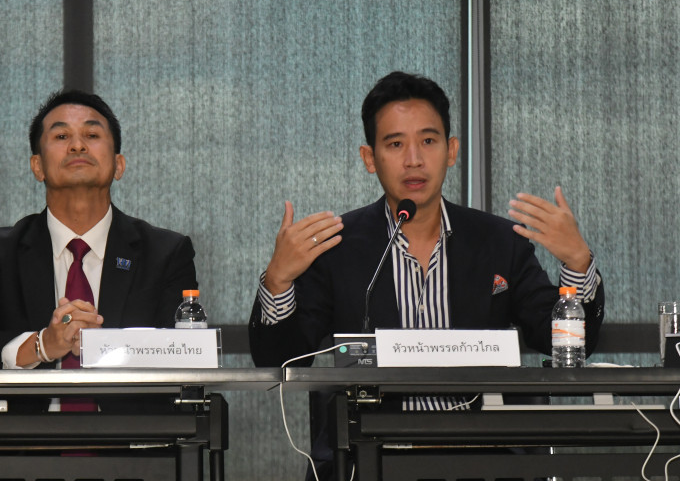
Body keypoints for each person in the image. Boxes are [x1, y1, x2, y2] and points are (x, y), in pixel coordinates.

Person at [248, 71, 604, 478]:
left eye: (428, 141)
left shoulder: (499, 242)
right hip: (371, 459)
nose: (413, 159)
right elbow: (279, 359)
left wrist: (577, 263)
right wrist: (277, 281)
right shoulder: (337, 249)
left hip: (483, 459)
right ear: (369, 158)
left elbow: (562, 341)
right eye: (395, 144)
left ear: (451, 150)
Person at [0, 90, 198, 375]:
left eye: (92, 135)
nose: (77, 146)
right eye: (61, 136)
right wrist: (41, 345)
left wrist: (106, 347)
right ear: (37, 167)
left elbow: (185, 355)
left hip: (128, 406)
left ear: (119, 165)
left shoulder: (166, 254)